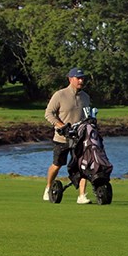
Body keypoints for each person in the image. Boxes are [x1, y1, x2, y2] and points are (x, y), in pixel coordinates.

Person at [44, 67, 93, 204]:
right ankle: (49, 187)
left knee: (83, 166)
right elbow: (49, 113)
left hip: (80, 138)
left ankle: (82, 195)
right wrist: (61, 126)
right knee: (57, 165)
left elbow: (87, 116)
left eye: (82, 78)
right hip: (62, 138)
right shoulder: (60, 95)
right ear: (70, 79)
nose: (81, 80)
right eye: (78, 78)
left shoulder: (85, 97)